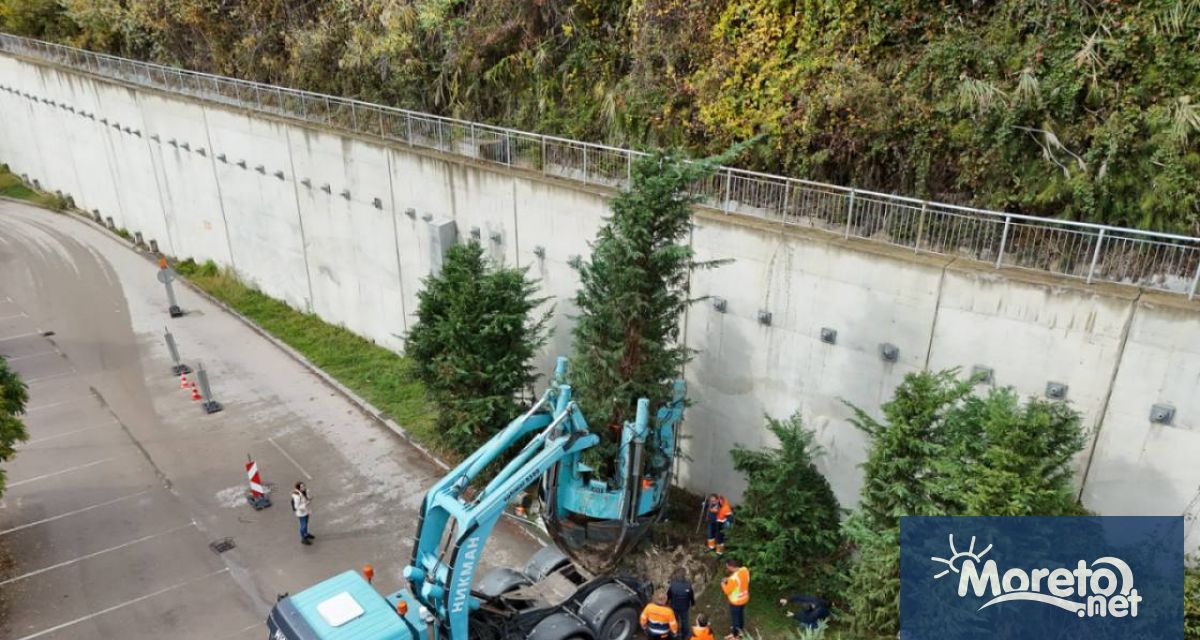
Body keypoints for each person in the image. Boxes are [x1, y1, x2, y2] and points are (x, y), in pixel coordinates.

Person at [720, 558, 750, 638]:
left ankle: (735, 635)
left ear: (731, 567)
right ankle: (741, 630)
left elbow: (727, 591)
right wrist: (728, 580)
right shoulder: (745, 569)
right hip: (745, 598)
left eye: (727, 567)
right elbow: (739, 579)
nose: (727, 568)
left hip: (736, 602)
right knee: (741, 615)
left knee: (735, 620)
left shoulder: (733, 579)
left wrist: (723, 584)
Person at [666, 568, 695, 638]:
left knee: (675, 621)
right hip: (685, 607)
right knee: (685, 621)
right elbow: (691, 596)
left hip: (674, 606)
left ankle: (675, 634)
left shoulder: (673, 584)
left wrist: (666, 603)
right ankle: (685, 635)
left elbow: (668, 595)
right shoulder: (688, 585)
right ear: (684, 575)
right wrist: (693, 604)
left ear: (677, 575)